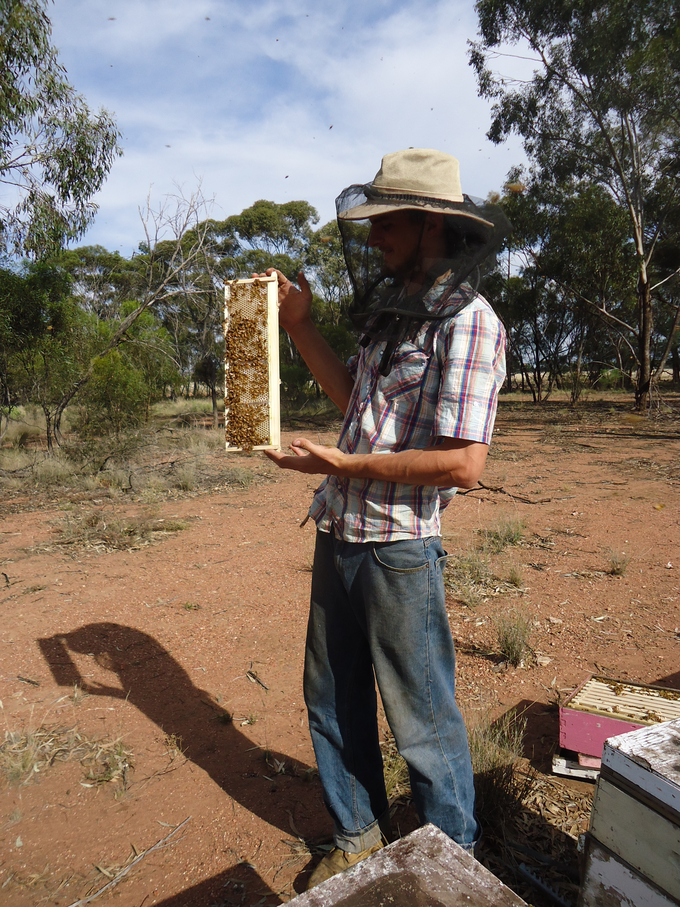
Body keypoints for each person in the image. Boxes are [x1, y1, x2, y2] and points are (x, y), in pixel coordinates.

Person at [260, 149, 507, 889]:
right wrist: (300, 328)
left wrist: (342, 465)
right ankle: (360, 833)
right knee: (331, 696)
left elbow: (463, 464)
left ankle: (452, 865)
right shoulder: (393, 313)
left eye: (386, 226)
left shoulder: (468, 323)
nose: (373, 242)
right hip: (339, 534)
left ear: (432, 224)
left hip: (399, 551)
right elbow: (355, 409)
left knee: (423, 721)